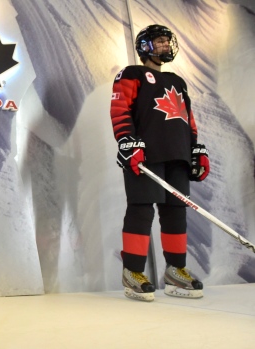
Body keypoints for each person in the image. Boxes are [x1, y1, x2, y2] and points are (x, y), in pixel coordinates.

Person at [110, 25, 210, 302]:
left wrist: (195, 150)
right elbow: (120, 109)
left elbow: (188, 119)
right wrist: (127, 141)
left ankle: (175, 271)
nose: (166, 45)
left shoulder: (178, 81)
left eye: (168, 41)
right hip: (146, 154)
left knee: (176, 212)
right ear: (145, 46)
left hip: (177, 155)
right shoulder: (131, 73)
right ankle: (132, 273)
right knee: (141, 210)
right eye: (160, 41)